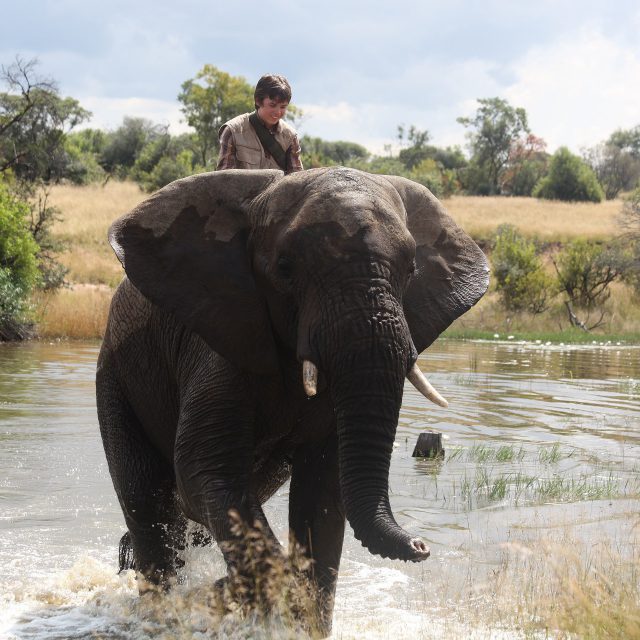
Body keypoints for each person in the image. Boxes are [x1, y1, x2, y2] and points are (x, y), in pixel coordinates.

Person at [216, 74, 303, 174]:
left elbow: (297, 179)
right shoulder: (232, 131)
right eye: (272, 105)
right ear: (258, 101)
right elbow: (224, 179)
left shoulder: (290, 137)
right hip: (241, 189)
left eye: (283, 107)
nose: (278, 112)